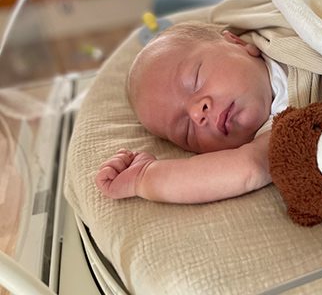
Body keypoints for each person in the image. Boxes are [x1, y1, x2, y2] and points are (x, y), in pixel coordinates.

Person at [94, 21, 289, 204]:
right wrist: (143, 178)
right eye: (186, 131)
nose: (197, 114)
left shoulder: (274, 27)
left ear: (236, 42)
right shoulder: (281, 131)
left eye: (195, 80)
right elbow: (248, 168)